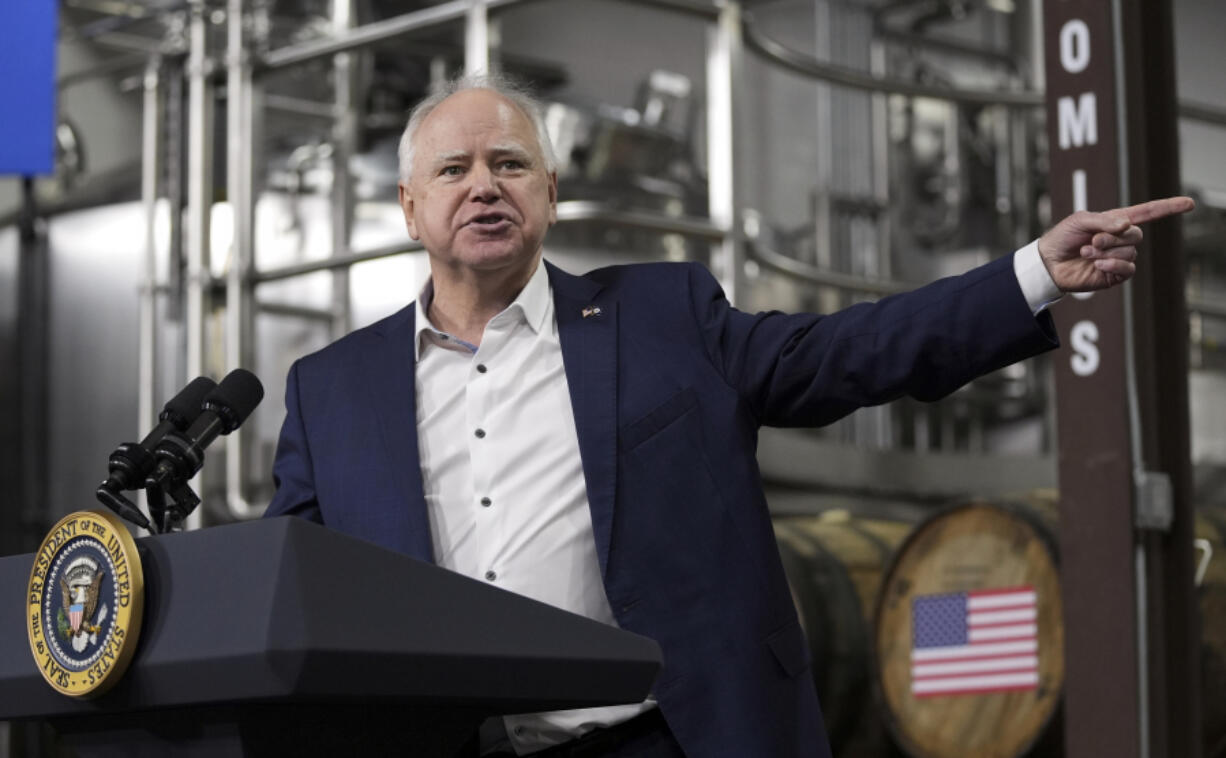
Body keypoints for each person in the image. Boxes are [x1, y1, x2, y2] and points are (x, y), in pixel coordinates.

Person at [264, 73, 1194, 758]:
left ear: (548, 193)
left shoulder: (666, 317)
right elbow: (292, 597)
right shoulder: (329, 389)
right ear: (409, 206)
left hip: (663, 741)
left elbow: (847, 352)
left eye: (510, 163)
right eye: (454, 169)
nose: (484, 185)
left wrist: (1031, 272)